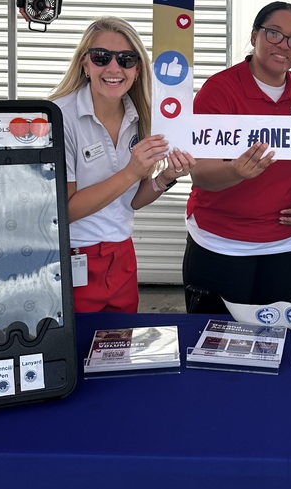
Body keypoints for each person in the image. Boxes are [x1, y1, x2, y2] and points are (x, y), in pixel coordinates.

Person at [183, 1, 291, 310]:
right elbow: (201, 176)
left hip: (288, 245)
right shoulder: (219, 91)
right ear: (254, 36)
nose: (284, 45)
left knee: (271, 342)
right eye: (274, 33)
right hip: (222, 244)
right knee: (213, 342)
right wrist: (236, 171)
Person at [51, 17, 195, 313]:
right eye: (101, 57)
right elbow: (63, 210)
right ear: (85, 64)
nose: (114, 68)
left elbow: (132, 202)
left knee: (119, 349)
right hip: (72, 257)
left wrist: (166, 177)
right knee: (76, 354)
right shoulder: (59, 118)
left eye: (126, 59)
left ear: (138, 68)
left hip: (123, 256)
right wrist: (131, 171)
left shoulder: (141, 115)